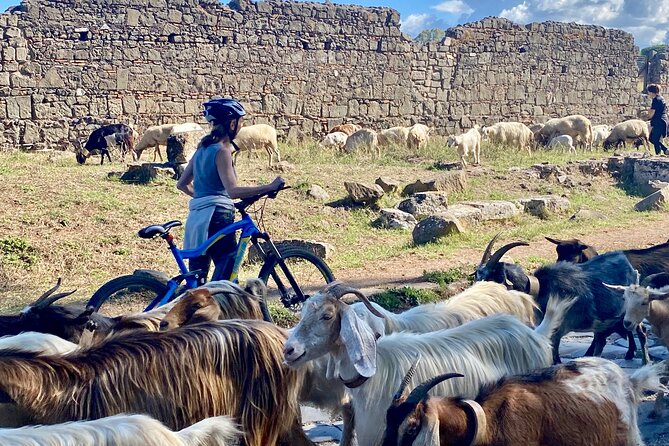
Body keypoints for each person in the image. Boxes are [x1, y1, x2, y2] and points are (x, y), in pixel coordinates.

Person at [176, 98, 284, 284]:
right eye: (241, 122)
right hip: (218, 217)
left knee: (197, 284)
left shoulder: (202, 149)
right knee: (225, 279)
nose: (241, 127)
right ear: (232, 123)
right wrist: (269, 187)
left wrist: (204, 197)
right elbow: (233, 191)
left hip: (196, 219)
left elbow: (182, 184)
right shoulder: (223, 151)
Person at [646, 84, 669, 155]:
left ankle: (662, 151)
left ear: (651, 92)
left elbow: (652, 113)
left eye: (648, 92)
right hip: (663, 120)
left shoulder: (655, 100)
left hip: (658, 121)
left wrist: (648, 114)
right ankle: (662, 151)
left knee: (654, 138)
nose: (648, 93)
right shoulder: (661, 98)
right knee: (655, 138)